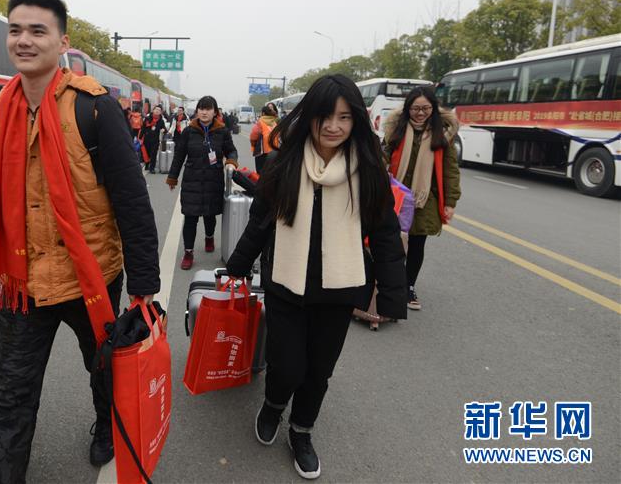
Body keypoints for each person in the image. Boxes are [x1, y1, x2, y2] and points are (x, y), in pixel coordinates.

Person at [0, 0, 160, 483]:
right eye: (15, 30)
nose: (24, 40)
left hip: (92, 277)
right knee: (12, 394)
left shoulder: (94, 110)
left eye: (38, 31)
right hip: (25, 283)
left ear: (62, 43)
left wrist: (144, 283)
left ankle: (107, 426)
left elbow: (131, 200)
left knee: (103, 368)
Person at [225, 75, 406, 480]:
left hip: (339, 291)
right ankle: (273, 405)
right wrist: (237, 267)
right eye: (325, 116)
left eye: (344, 117)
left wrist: (392, 297)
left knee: (318, 371)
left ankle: (301, 431)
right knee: (286, 365)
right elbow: (260, 222)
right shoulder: (284, 163)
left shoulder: (368, 171)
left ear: (356, 121)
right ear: (309, 117)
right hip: (285, 285)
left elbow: (386, 235)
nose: (333, 126)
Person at [383, 85, 461, 311]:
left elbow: (451, 170)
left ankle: (408, 286)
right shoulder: (396, 129)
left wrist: (450, 202)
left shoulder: (442, 134)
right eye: (415, 108)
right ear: (407, 108)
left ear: (433, 108)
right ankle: (389, 284)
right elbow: (383, 156)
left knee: (417, 244)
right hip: (395, 195)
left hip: (424, 199)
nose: (420, 113)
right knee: (391, 242)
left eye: (425, 108)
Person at [165, 96, 238, 270]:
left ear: (215, 112)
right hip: (192, 181)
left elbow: (231, 151)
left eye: (208, 109)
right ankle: (188, 252)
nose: (204, 112)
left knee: (210, 215)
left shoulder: (222, 131)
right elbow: (179, 156)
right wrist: (173, 177)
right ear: (197, 111)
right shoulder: (189, 131)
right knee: (190, 218)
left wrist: (231, 162)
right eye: (201, 109)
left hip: (213, 180)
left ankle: (209, 237)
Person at [250, 102, 280, 174]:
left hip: (263, 151)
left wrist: (253, 146)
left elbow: (253, 135)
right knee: (270, 170)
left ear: (263, 113)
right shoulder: (274, 122)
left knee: (260, 171)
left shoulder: (261, 122)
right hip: (274, 151)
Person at [140, 104, 167, 173]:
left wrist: (163, 130)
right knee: (147, 153)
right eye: (156, 109)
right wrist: (140, 137)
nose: (157, 111)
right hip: (147, 138)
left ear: (160, 112)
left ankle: (152, 168)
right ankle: (147, 164)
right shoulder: (147, 118)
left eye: (159, 110)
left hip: (155, 140)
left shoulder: (161, 121)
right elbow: (143, 128)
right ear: (153, 110)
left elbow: (164, 129)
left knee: (153, 154)